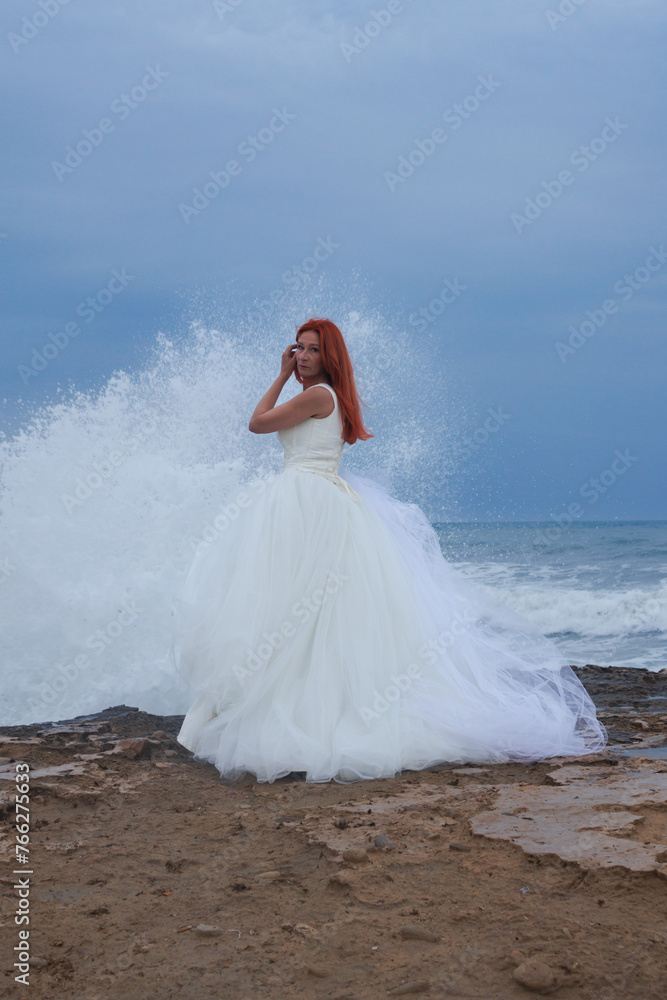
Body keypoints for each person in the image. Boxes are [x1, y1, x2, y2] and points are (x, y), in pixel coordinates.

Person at [172, 317, 607, 783]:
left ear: (330, 357)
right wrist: (288, 372)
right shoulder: (329, 397)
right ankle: (298, 704)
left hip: (308, 505)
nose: (302, 356)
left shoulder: (319, 396)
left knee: (299, 612)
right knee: (302, 615)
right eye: (297, 348)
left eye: (312, 349)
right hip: (311, 503)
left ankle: (298, 714)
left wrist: (280, 375)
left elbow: (257, 423)